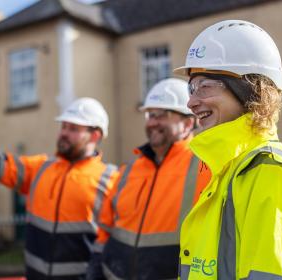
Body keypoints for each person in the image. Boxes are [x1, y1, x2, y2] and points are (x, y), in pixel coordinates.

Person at [174, 19, 282, 279]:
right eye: (191, 88)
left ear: (250, 90)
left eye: (204, 86)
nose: (191, 101)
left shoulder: (272, 172)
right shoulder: (224, 170)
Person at [0, 97, 119, 280]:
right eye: (63, 127)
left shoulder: (111, 180)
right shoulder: (41, 168)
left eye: (73, 129)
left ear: (95, 135)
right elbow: (5, 166)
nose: (64, 133)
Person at [87, 78, 211, 280]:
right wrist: (97, 264)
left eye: (162, 115)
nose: (152, 122)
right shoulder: (129, 169)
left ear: (188, 123)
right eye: (150, 115)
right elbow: (107, 225)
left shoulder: (205, 168)